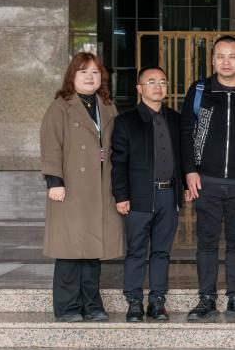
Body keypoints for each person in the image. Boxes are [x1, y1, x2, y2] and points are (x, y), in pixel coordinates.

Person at [181, 35, 235, 321]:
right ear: (213, 60)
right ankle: (206, 299)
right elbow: (185, 132)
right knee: (206, 243)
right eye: (221, 56)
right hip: (206, 181)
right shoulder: (199, 90)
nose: (226, 62)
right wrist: (189, 170)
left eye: (232, 56)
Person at [40, 52, 124, 322]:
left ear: (102, 78)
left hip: (101, 187)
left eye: (95, 72)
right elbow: (51, 145)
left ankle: (92, 304)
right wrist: (54, 181)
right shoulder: (60, 107)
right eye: (83, 72)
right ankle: (67, 307)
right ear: (72, 76)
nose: (90, 77)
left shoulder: (107, 106)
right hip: (71, 188)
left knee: (92, 251)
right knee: (69, 249)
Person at [111, 66, 183, 322]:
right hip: (140, 195)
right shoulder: (126, 121)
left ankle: (157, 301)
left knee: (162, 251)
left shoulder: (175, 119)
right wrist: (121, 195)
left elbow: (183, 157)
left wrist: (184, 187)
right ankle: (133, 302)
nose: (158, 86)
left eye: (162, 82)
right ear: (139, 88)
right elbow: (119, 162)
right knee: (137, 251)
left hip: (169, 195)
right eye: (151, 82)